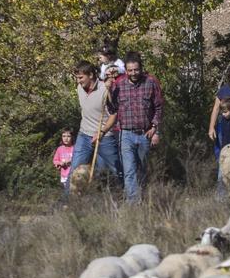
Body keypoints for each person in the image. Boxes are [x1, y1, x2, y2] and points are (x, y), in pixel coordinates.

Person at [110, 52, 165, 203]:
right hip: (125, 134)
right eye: (130, 70)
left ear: (141, 68)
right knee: (129, 171)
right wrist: (108, 89)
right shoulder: (118, 85)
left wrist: (155, 128)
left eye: (136, 70)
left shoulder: (150, 82)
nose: (133, 73)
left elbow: (159, 107)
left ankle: (145, 198)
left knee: (143, 169)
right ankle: (133, 203)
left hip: (145, 133)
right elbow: (111, 108)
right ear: (126, 70)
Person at [71, 60, 120, 194]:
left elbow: (114, 115)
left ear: (91, 75)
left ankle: (123, 197)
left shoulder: (105, 89)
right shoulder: (79, 88)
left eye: (81, 77)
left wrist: (102, 132)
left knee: (115, 170)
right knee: (75, 169)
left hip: (104, 136)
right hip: (84, 135)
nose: (78, 81)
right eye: (77, 78)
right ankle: (68, 201)